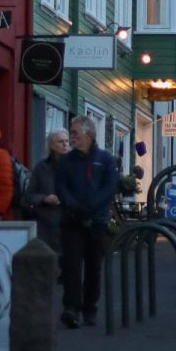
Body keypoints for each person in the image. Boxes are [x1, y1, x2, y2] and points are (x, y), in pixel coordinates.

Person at [54, 116, 119, 327]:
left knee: (93, 266)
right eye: (71, 133)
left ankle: (90, 306)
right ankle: (71, 308)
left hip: (97, 221)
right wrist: (74, 206)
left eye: (75, 133)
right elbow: (61, 187)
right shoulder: (66, 161)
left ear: (88, 135)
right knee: (71, 265)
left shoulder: (106, 159)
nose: (71, 138)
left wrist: (92, 207)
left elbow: (109, 188)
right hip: (72, 220)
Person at [25, 128, 71, 256]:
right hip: (46, 227)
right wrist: (44, 198)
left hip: (69, 225)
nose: (65, 144)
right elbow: (29, 196)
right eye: (60, 141)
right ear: (51, 145)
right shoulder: (41, 168)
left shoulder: (74, 166)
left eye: (67, 141)